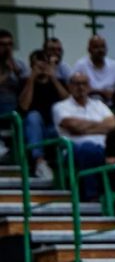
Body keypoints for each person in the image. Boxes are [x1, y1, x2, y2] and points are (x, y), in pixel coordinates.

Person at [52, 72, 115, 200]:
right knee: (87, 148)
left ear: (89, 86)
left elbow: (113, 124)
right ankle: (92, 195)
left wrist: (83, 128)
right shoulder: (60, 106)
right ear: (69, 86)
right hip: (73, 150)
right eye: (76, 84)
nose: (81, 87)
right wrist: (100, 126)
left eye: (84, 83)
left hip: (103, 148)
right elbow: (73, 126)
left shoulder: (99, 105)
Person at [20, 49, 66, 180]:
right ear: (31, 66)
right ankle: (39, 162)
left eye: (44, 64)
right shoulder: (24, 82)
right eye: (37, 65)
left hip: (53, 127)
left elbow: (68, 102)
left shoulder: (58, 82)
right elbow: (24, 106)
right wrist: (32, 78)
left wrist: (53, 77)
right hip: (33, 129)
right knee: (33, 116)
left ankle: (65, 162)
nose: (41, 68)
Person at [71, 35, 115, 103]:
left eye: (103, 47)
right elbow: (73, 88)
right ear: (89, 49)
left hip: (111, 104)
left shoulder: (114, 65)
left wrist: (114, 93)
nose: (100, 50)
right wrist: (101, 92)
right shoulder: (81, 65)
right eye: (96, 47)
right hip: (87, 104)